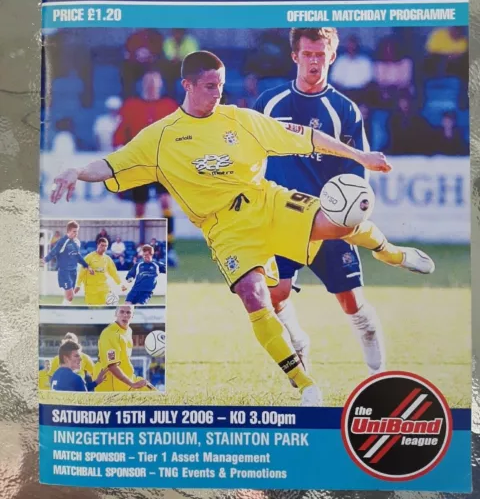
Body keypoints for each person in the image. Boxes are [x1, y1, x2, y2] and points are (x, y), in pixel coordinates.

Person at [50, 50, 434, 406]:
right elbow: (112, 164)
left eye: (221, 84)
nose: (218, 92)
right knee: (255, 296)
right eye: (209, 86)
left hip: (267, 202)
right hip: (226, 230)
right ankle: (306, 385)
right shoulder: (161, 137)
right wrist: (76, 171)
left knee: (339, 222)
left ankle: (392, 253)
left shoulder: (241, 120)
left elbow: (306, 136)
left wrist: (359, 154)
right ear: (187, 85)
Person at [253, 28, 391, 378]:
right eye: (308, 54)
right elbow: (250, 152)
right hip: (280, 215)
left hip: (325, 218)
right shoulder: (268, 103)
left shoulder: (344, 109)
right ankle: (298, 339)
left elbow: (356, 166)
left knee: (349, 300)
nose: (315, 61)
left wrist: (352, 209)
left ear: (332, 56)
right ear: (295, 56)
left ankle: (367, 326)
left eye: (321, 54)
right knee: (275, 294)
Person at [113, 70, 179, 267]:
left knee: (165, 202)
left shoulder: (170, 106)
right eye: (148, 81)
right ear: (143, 84)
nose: (151, 85)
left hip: (162, 163)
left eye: (155, 82)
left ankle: (170, 250)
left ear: (160, 85)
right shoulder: (131, 106)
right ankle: (141, 249)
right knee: (139, 207)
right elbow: (120, 133)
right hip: (139, 164)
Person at [94, 305, 152, 392]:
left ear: (132, 316)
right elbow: (112, 366)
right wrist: (133, 384)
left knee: (153, 392)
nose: (125, 315)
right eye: (122, 312)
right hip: (111, 383)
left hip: (128, 379)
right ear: (116, 314)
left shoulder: (129, 330)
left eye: (128, 312)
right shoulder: (110, 334)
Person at [41, 220, 94, 305]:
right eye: (74, 231)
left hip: (73, 271)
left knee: (69, 298)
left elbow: (78, 256)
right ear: (68, 231)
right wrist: (45, 260)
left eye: (77, 231)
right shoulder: (62, 241)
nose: (76, 233)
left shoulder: (77, 242)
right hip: (64, 272)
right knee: (70, 295)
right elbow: (53, 252)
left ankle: (62, 312)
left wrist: (87, 266)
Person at [75, 237, 122, 305]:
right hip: (91, 289)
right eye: (102, 245)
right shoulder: (89, 257)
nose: (104, 248)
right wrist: (78, 285)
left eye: (106, 246)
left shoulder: (107, 259)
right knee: (92, 310)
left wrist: (120, 284)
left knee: (110, 305)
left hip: (104, 288)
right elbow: (82, 273)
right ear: (98, 245)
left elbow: (114, 273)